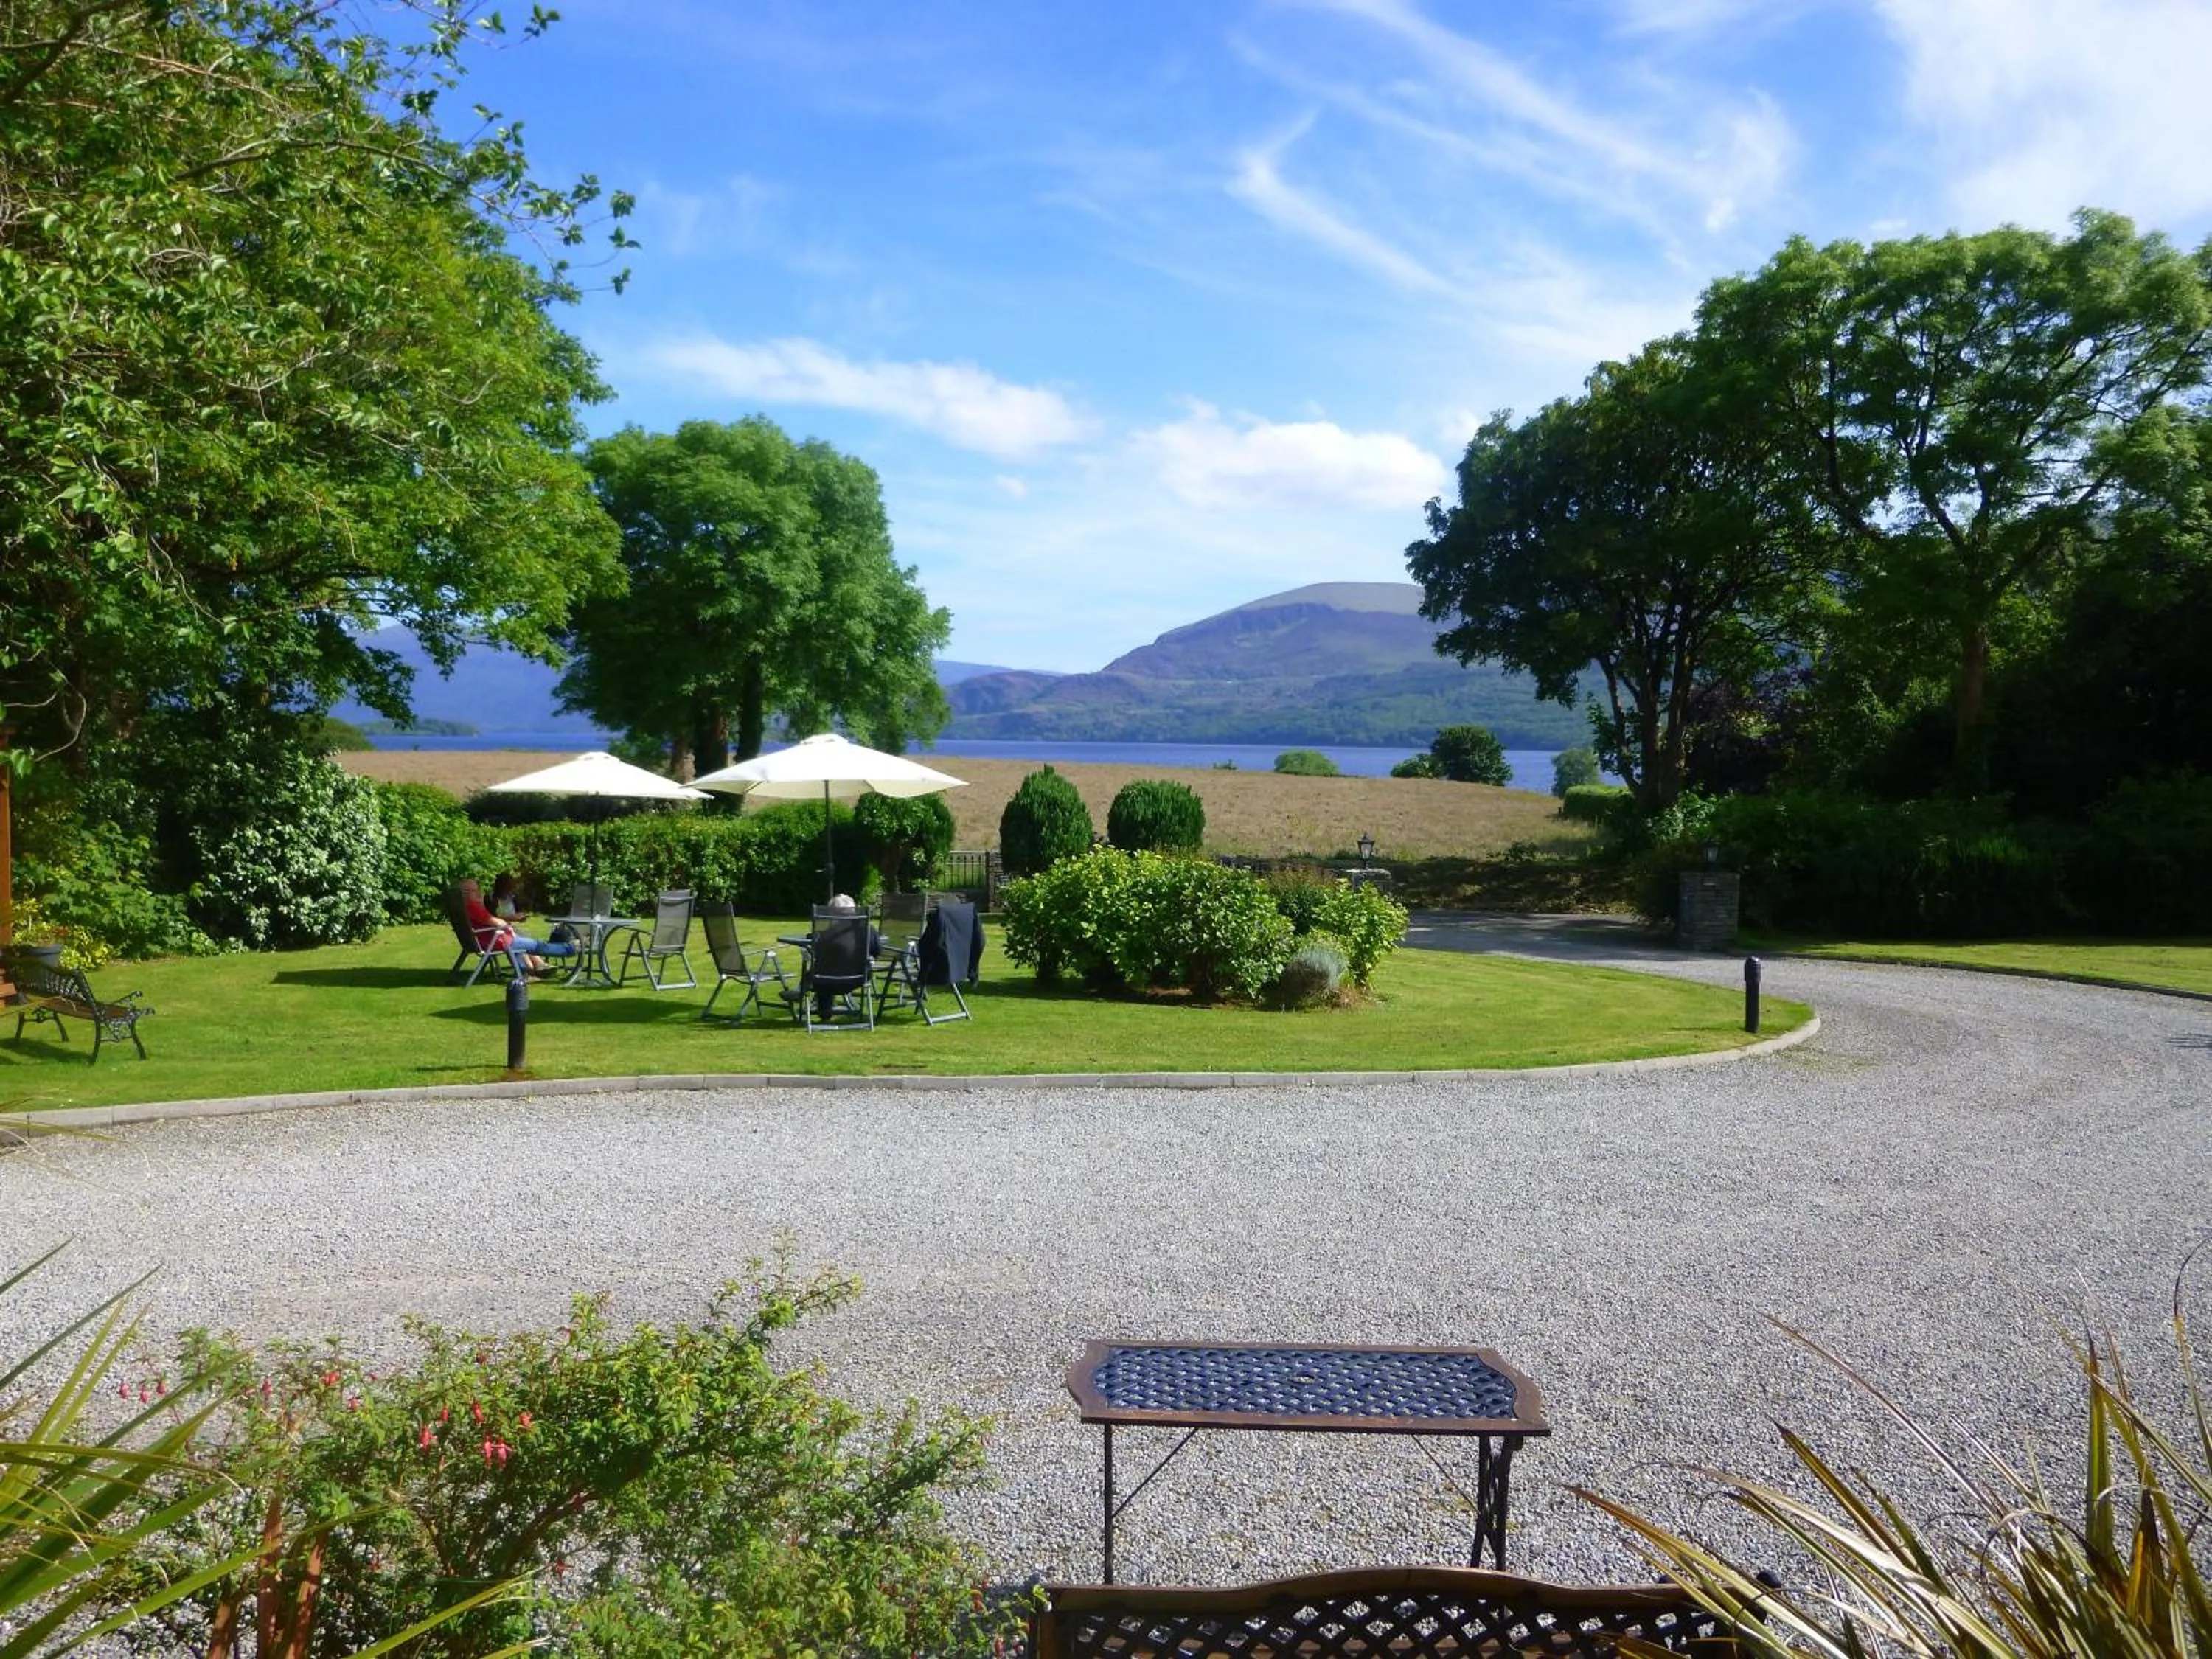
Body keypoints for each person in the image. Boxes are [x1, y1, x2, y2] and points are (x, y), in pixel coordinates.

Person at [461, 877, 568, 979]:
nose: (479, 893)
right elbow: (499, 923)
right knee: (539, 946)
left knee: (526, 942)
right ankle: (571, 949)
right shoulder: (474, 908)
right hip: (499, 941)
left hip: (489, 940)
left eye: (478, 890)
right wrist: (507, 924)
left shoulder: (465, 907)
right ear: (466, 893)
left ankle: (530, 971)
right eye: (475, 891)